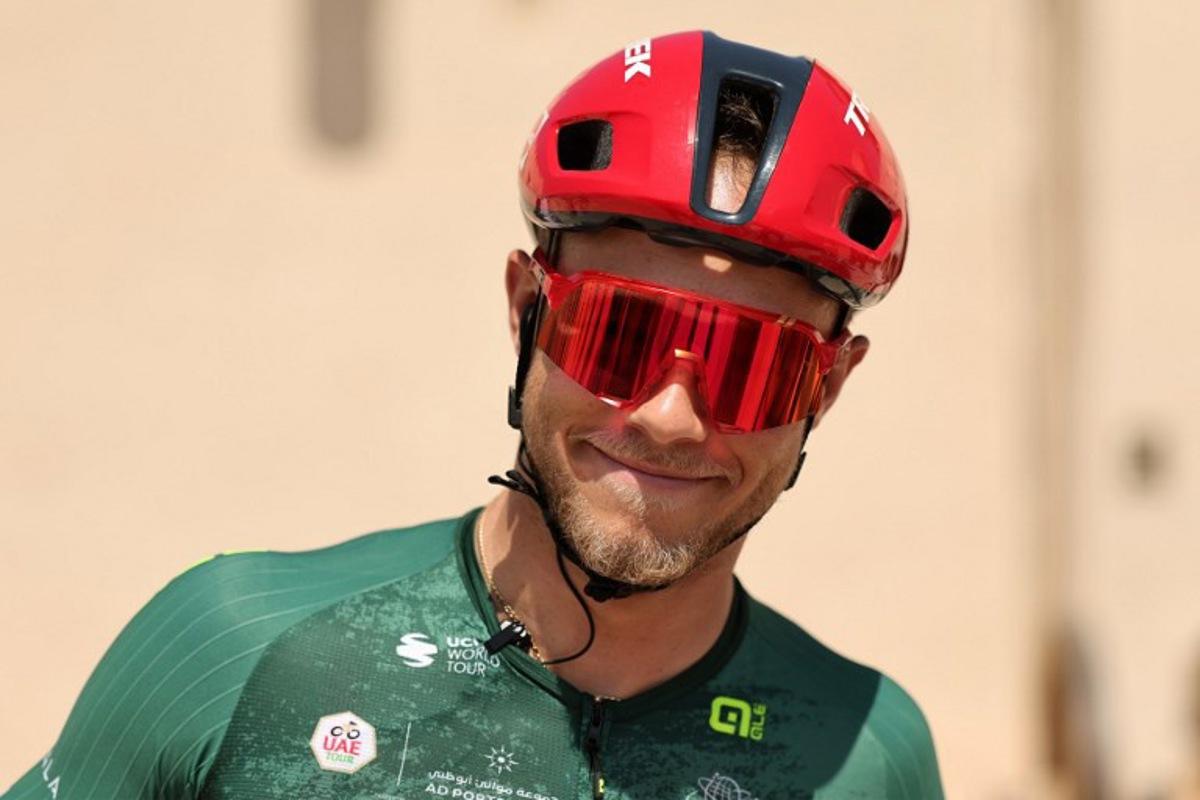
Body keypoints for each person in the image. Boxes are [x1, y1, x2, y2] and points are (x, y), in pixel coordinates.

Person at [2, 30, 943, 800]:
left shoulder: (870, 756)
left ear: (826, 388)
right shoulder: (229, 649)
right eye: (619, 334)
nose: (668, 417)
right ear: (524, 311)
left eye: (751, 365)